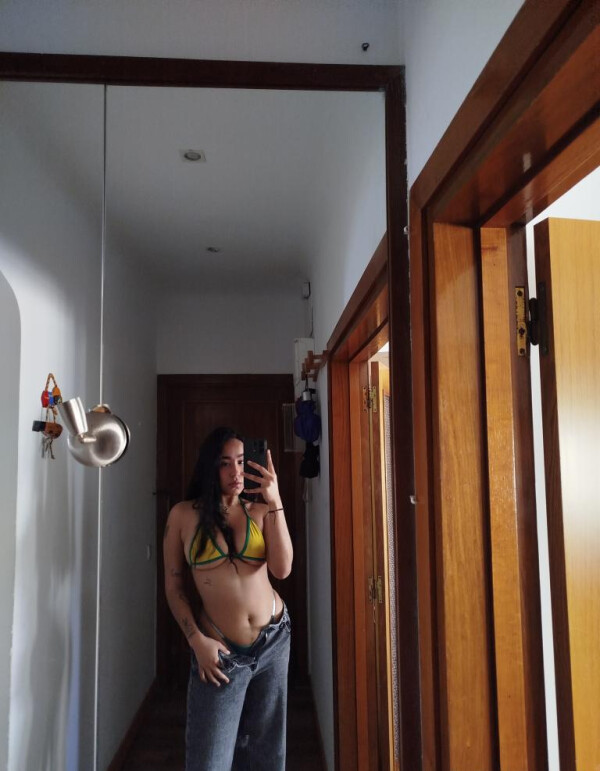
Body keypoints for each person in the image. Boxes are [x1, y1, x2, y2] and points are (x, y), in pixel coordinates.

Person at [163, 426, 294, 771]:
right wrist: (196, 641)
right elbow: (174, 587)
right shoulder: (183, 516)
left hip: (273, 640)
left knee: (267, 755)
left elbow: (282, 569)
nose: (235, 471)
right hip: (219, 652)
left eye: (240, 461)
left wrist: (275, 500)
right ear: (210, 467)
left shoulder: (260, 511)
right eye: (224, 463)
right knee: (210, 759)